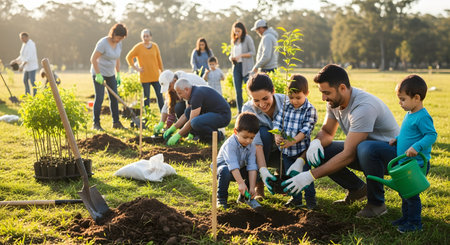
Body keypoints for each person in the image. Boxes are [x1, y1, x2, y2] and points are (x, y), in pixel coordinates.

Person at [282, 64, 400, 218]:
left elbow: (349, 154)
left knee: (366, 148)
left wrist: (309, 176)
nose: (323, 98)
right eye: (321, 93)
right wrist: (304, 157)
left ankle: (377, 204)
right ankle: (357, 190)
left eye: (326, 93)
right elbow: (326, 132)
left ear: (342, 88)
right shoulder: (334, 102)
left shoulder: (363, 107)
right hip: (367, 152)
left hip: (393, 157)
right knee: (324, 149)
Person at [389, 75, 437, 233]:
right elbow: (409, 133)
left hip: (417, 164)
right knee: (405, 193)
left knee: (411, 195)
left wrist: (416, 146)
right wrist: (398, 139)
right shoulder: (410, 113)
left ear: (416, 98)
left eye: (403, 99)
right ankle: (406, 218)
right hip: (407, 163)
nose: (400, 103)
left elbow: (431, 135)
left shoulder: (422, 116)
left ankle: (415, 223)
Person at [272, 74, 317, 209]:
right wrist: (276, 135)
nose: (295, 101)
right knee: (290, 176)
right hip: (286, 151)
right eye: (291, 97)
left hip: (302, 152)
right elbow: (277, 122)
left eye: (298, 97)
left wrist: (292, 141)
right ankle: (296, 199)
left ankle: (311, 201)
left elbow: (305, 130)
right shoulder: (286, 106)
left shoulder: (310, 110)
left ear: (307, 93)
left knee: (305, 176)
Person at [241, 73, 288, 200]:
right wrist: (262, 170)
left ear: (273, 91)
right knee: (264, 133)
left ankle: (282, 174)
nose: (262, 104)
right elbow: (256, 144)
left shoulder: (286, 102)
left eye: (265, 98)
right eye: (256, 100)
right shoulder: (248, 109)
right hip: (260, 152)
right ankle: (259, 185)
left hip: (284, 150)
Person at [215, 112, 261, 209]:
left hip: (238, 169)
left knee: (256, 172)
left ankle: (245, 198)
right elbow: (232, 165)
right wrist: (241, 183)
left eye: (252, 138)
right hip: (223, 171)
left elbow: (252, 166)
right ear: (236, 132)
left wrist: (252, 187)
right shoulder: (230, 145)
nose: (248, 141)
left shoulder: (251, 146)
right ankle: (221, 198)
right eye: (245, 137)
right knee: (225, 170)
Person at [163, 78, 231, 145]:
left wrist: (178, 135)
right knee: (188, 112)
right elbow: (185, 115)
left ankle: (219, 136)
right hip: (213, 113)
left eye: (180, 93)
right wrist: (172, 128)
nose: (179, 97)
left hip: (223, 116)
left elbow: (191, 121)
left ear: (186, 89)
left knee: (195, 122)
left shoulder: (196, 95)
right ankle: (202, 136)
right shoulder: (192, 93)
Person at [90, 23, 127, 131]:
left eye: (122, 38)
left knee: (114, 97)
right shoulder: (103, 43)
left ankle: (116, 122)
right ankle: (96, 123)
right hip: (99, 73)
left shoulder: (119, 44)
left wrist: (118, 73)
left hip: (111, 74)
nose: (120, 40)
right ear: (113, 34)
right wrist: (98, 74)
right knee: (100, 97)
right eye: (119, 37)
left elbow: (117, 58)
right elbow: (93, 59)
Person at [153, 70, 208, 135]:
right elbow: (166, 105)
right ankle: (187, 132)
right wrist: (161, 123)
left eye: (169, 86)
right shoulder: (174, 85)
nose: (169, 89)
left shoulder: (186, 83)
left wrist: (176, 130)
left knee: (181, 109)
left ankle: (195, 132)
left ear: (175, 80)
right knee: (178, 107)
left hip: (205, 104)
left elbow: (188, 111)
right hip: (194, 103)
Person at [126, 29, 164, 110]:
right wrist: (136, 68)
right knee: (146, 98)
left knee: (160, 96)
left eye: (147, 36)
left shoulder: (155, 46)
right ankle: (147, 115)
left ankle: (163, 114)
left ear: (150, 37)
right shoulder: (138, 47)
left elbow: (159, 60)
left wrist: (162, 71)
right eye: (144, 36)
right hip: (144, 77)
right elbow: (128, 57)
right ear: (141, 37)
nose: (145, 38)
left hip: (156, 76)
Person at [229, 21, 256, 114]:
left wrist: (241, 55)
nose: (236, 33)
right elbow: (231, 54)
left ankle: (252, 110)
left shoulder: (248, 39)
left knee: (249, 89)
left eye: (238, 31)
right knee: (238, 90)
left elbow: (253, 52)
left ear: (243, 30)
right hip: (236, 67)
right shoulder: (234, 41)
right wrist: (231, 58)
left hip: (246, 67)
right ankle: (239, 112)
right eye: (235, 31)